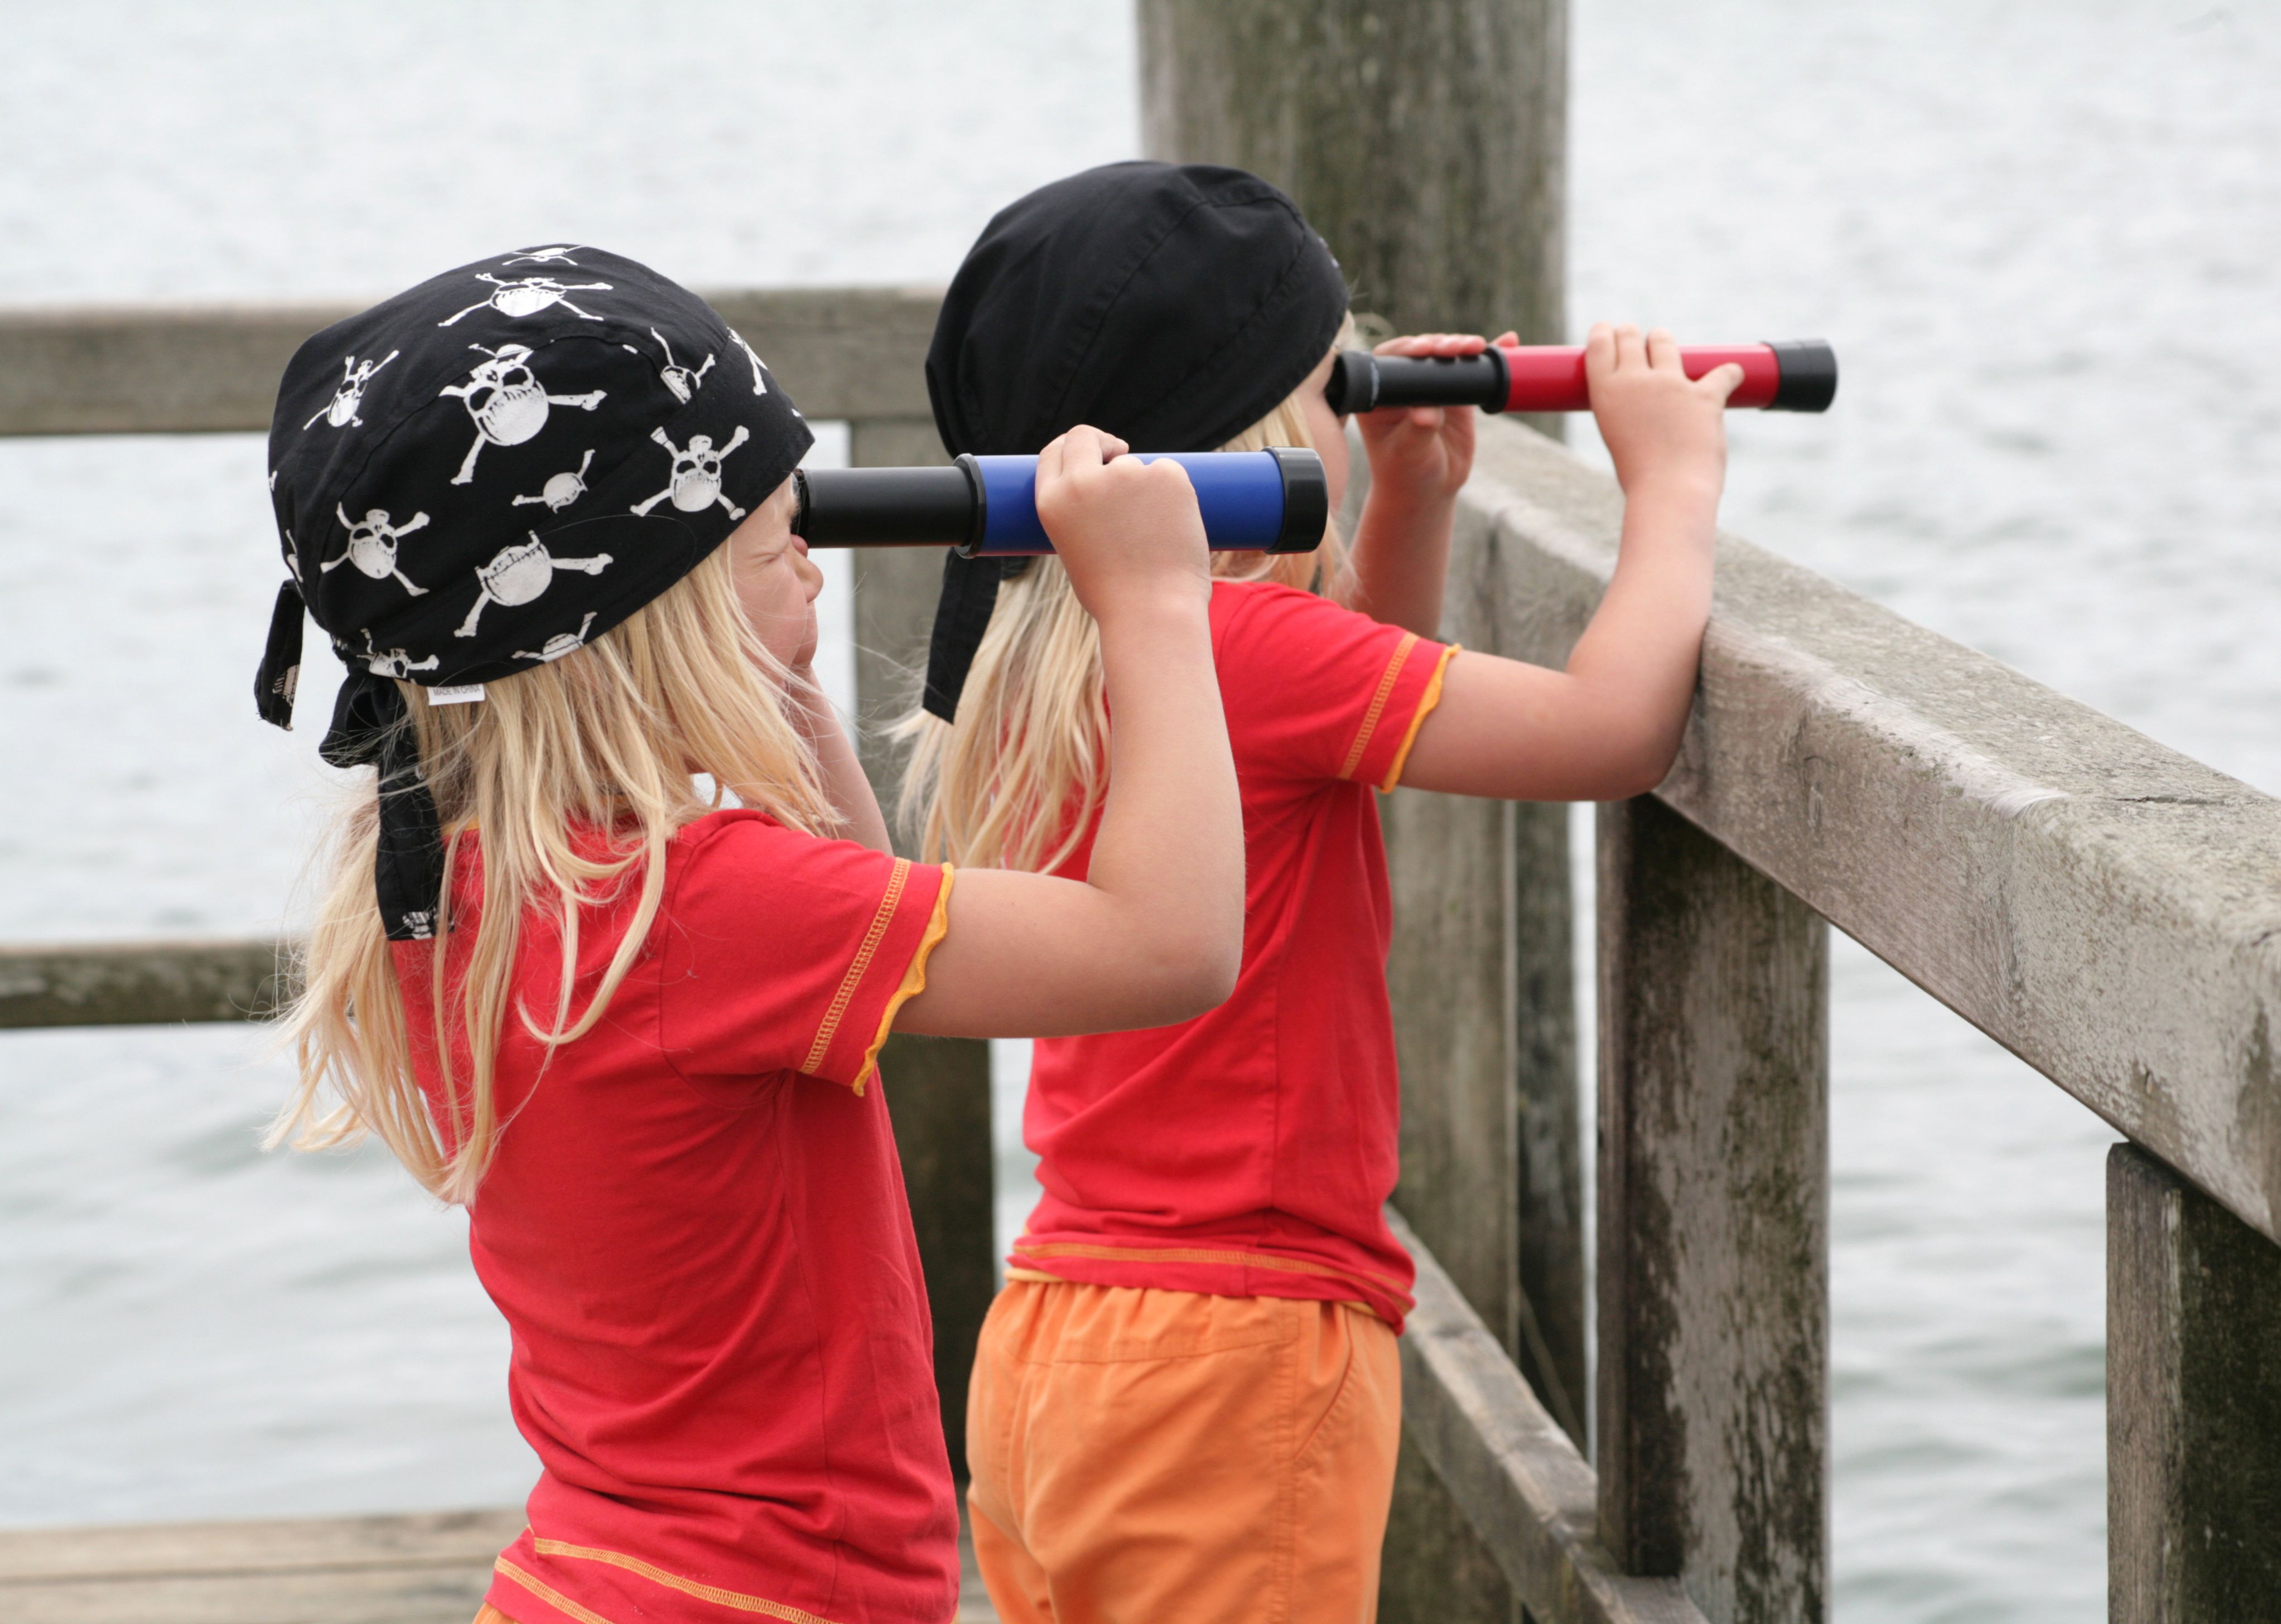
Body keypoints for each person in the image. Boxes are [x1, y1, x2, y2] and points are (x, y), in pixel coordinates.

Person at [254, 246, 1244, 1624]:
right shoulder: (697, 906)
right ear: (659, 610)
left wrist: (770, 678)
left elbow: (849, 909)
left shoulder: (457, 887)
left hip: (606, 1578)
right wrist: (1156, 603)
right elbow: (1167, 947)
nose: (819, 580)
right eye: (785, 545)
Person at [899, 162, 1741, 1624]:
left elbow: (1335, 754)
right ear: (1252, 445)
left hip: (1059, 1335)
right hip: (1236, 1356)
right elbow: (1613, 732)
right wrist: (1671, 484)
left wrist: (1413, 489)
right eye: (1325, 399)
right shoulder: (1245, 651)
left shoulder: (1054, 661)